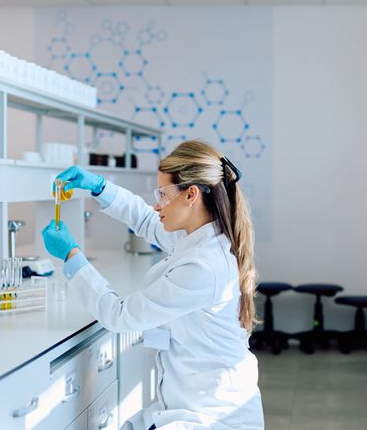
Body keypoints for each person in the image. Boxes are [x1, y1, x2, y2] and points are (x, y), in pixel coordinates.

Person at [41, 140, 264, 430]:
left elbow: (119, 316)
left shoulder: (204, 265)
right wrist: (99, 187)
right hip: (195, 402)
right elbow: (147, 221)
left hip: (212, 415)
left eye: (163, 194)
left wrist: (72, 257)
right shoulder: (203, 236)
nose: (157, 203)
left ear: (191, 195)